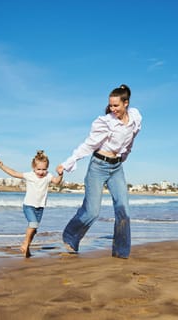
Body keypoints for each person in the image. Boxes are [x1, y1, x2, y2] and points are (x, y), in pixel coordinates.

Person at [57, 84, 142, 258]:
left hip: (117, 167)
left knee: (124, 211)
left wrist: (124, 155)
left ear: (126, 103)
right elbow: (89, 144)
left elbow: (132, 138)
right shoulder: (105, 122)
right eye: (111, 105)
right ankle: (70, 236)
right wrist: (68, 162)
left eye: (116, 105)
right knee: (92, 211)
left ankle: (121, 252)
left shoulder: (135, 117)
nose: (112, 109)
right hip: (98, 166)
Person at [0, 150, 63, 257]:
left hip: (40, 207)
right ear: (33, 168)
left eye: (44, 169)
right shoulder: (30, 175)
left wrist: (60, 174)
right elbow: (14, 173)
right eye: (38, 169)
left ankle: (27, 248)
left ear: (47, 168)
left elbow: (57, 181)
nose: (41, 172)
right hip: (29, 206)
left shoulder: (48, 176)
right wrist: (1, 166)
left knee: (34, 230)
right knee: (33, 225)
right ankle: (25, 244)